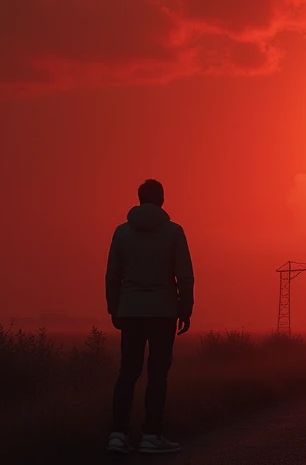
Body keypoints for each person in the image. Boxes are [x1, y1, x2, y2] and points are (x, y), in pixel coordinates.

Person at [105, 179, 194, 455]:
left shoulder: (121, 233)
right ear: (162, 201)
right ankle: (151, 435)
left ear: (139, 199)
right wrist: (185, 309)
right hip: (163, 312)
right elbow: (185, 276)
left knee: (128, 372)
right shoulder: (174, 232)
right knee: (157, 374)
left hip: (130, 311)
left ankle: (118, 434)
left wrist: (114, 309)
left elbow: (112, 276)